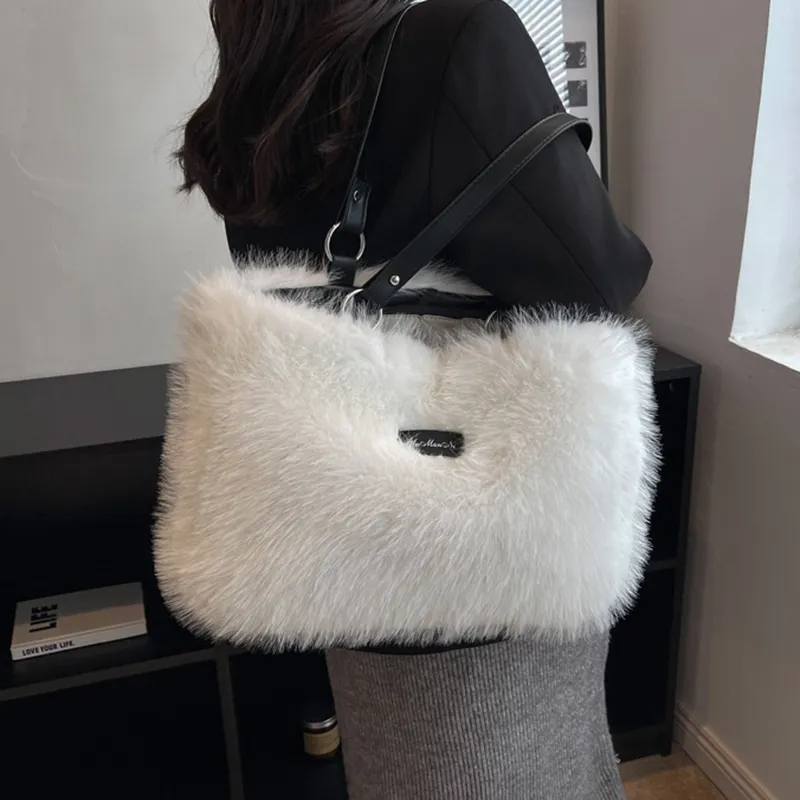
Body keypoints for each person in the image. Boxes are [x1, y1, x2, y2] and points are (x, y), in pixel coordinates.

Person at [175, 1, 651, 798]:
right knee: (515, 770)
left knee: (397, 768)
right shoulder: (459, 38)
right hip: (484, 525)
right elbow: (601, 277)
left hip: (352, 528)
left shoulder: (269, 60)